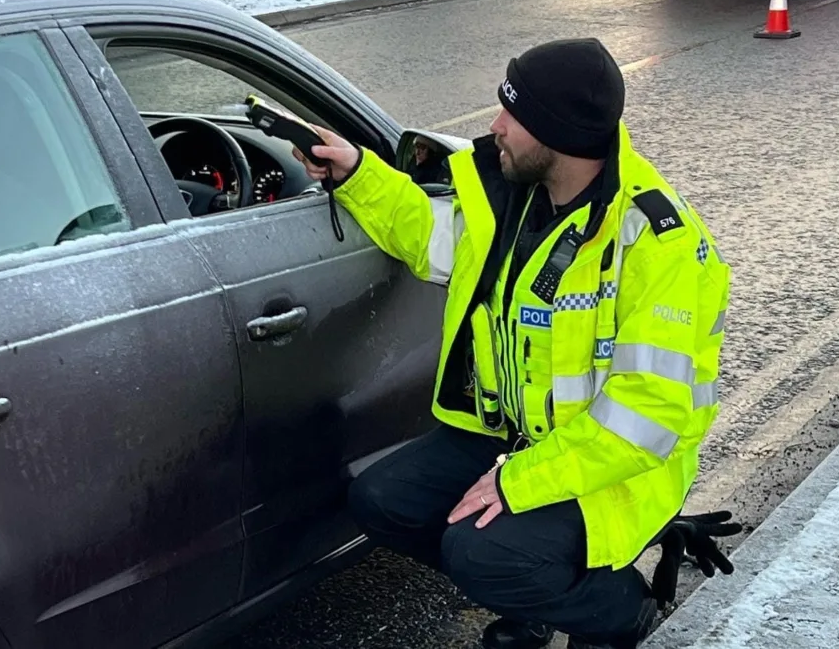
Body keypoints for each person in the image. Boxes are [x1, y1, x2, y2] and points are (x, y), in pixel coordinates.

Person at [293, 38, 733, 648]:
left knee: (480, 552)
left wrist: (516, 483)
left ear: (558, 133)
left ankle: (620, 610)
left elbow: (645, 420)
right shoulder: (515, 200)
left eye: (512, 114)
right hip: (517, 435)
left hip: (621, 466)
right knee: (381, 500)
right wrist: (357, 173)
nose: (494, 126)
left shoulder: (657, 245)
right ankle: (534, 592)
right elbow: (429, 237)